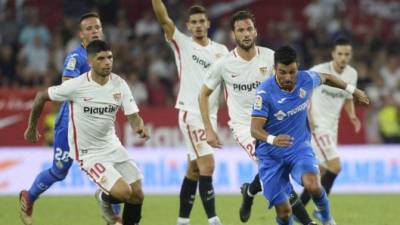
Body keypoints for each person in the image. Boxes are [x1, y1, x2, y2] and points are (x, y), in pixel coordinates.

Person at [199, 11, 315, 225]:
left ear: (256, 31)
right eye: (240, 30)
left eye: (249, 29)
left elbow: (291, 86)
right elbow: (203, 94)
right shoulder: (224, 64)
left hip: (274, 122)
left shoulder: (271, 58)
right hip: (246, 128)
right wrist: (208, 128)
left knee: (274, 168)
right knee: (276, 168)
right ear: (233, 34)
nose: (245, 34)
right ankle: (308, 222)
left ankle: (249, 192)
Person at [24, 40, 149, 225]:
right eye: (101, 58)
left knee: (137, 194)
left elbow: (133, 115)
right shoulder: (77, 85)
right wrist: (32, 127)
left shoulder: (119, 84)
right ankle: (103, 197)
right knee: (124, 193)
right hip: (89, 153)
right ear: (90, 61)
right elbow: (41, 96)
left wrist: (139, 126)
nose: (107, 62)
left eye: (110, 57)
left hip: (113, 146)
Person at [18, 12, 121, 225]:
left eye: (97, 27)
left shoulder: (105, 58)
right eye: (89, 29)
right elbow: (66, 87)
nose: (94, 31)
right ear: (81, 35)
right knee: (59, 171)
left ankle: (115, 217)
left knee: (112, 166)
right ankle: (29, 197)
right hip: (69, 124)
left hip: (94, 126)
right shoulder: (76, 58)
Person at [250, 45, 369, 225]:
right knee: (284, 212)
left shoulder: (305, 79)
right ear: (275, 69)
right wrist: (273, 139)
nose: (288, 77)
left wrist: (354, 91)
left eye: (292, 72)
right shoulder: (264, 93)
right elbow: (255, 130)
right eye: (282, 72)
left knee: (313, 184)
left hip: (298, 148)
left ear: (297, 67)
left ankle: (327, 218)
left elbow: (328, 78)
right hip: (270, 154)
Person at [151, 1, 229, 225]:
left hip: (210, 115)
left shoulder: (221, 51)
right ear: (188, 25)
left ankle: (182, 221)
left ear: (208, 23)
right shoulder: (182, 43)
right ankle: (214, 220)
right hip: (190, 112)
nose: (198, 25)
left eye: (201, 21)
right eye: (193, 22)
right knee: (208, 164)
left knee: (194, 169)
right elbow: (163, 19)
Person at [299, 37, 360, 221]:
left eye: (347, 54)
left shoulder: (352, 74)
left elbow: (349, 97)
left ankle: (298, 209)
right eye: (340, 54)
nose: (343, 58)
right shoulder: (319, 71)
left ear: (350, 55)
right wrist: (307, 116)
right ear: (333, 54)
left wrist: (352, 115)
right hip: (317, 126)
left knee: (321, 171)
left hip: (332, 128)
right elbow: (302, 89)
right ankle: (320, 209)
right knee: (335, 166)